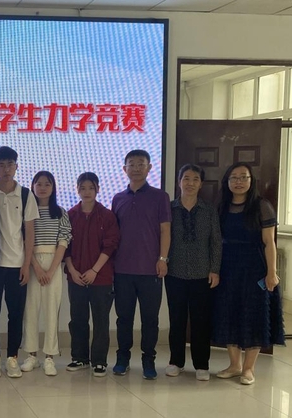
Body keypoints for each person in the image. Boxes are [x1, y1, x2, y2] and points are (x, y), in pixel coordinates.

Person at [212, 162, 284, 385]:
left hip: (255, 267)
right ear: (227, 182)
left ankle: (249, 369)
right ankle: (234, 365)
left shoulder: (261, 206)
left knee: (254, 315)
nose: (239, 182)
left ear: (251, 181)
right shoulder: (221, 207)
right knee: (229, 313)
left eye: (244, 177)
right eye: (234, 177)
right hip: (227, 266)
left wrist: (272, 272)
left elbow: (269, 243)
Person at [111, 149, 171, 380]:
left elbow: (165, 230)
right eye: (131, 164)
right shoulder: (118, 198)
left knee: (150, 319)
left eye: (140, 164)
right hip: (122, 270)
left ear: (149, 167)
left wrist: (163, 259)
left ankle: (148, 360)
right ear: (124, 169)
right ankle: (123, 358)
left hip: (150, 269)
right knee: (123, 318)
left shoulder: (160, 197)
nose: (136, 168)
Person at [0, 146, 39, 378]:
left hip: (17, 265)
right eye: (1, 165)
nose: (6, 169)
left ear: (17, 167)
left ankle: (13, 357)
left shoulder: (25, 194)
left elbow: (29, 232)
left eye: (10, 164)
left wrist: (26, 265)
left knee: (15, 313)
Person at [164, 164, 222, 381]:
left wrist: (214, 269)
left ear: (201, 184)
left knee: (201, 321)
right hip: (174, 273)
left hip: (202, 274)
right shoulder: (169, 208)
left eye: (195, 179)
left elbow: (216, 242)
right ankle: (176, 361)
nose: (190, 183)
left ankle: (201, 364)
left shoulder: (209, 210)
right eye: (186, 178)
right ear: (179, 182)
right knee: (176, 319)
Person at [65, 172, 120, 378]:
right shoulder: (70, 215)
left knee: (101, 320)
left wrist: (94, 270)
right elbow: (65, 246)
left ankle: (99, 361)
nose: (87, 192)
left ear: (97, 189)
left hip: (101, 277)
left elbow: (110, 245)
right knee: (77, 318)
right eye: (83, 188)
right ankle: (80, 357)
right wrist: (72, 270)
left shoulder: (107, 215)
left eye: (91, 188)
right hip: (76, 277)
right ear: (77, 190)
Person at [20, 171, 72, 376]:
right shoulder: (27, 211)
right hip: (31, 263)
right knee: (31, 309)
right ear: (32, 186)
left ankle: (49, 357)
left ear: (53, 188)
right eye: (38, 184)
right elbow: (25, 240)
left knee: (51, 311)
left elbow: (64, 240)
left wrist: (50, 270)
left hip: (54, 264)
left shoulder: (60, 212)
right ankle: (31, 355)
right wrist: (36, 267)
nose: (42, 188)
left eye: (47, 184)